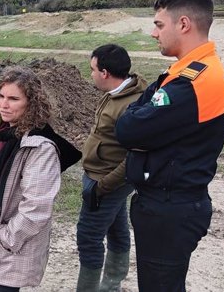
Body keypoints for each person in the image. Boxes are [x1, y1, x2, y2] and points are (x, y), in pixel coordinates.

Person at [116, 0, 224, 291]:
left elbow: (127, 129)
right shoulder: (188, 72)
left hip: (170, 209)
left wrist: (136, 117)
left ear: (183, 24)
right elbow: (141, 111)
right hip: (168, 203)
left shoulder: (194, 83)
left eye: (158, 24)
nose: (154, 34)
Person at [0, 66, 81, 291]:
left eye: (13, 98)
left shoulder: (40, 148)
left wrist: (6, 240)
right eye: (1, 96)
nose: (4, 104)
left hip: (10, 247)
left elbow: (37, 208)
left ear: (31, 103)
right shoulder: (2, 133)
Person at [76, 44, 147, 291]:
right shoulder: (117, 92)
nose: (91, 74)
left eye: (93, 69)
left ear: (105, 72)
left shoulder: (131, 105)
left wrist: (103, 186)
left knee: (88, 238)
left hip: (106, 180)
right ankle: (113, 284)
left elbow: (134, 156)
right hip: (102, 176)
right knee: (117, 229)